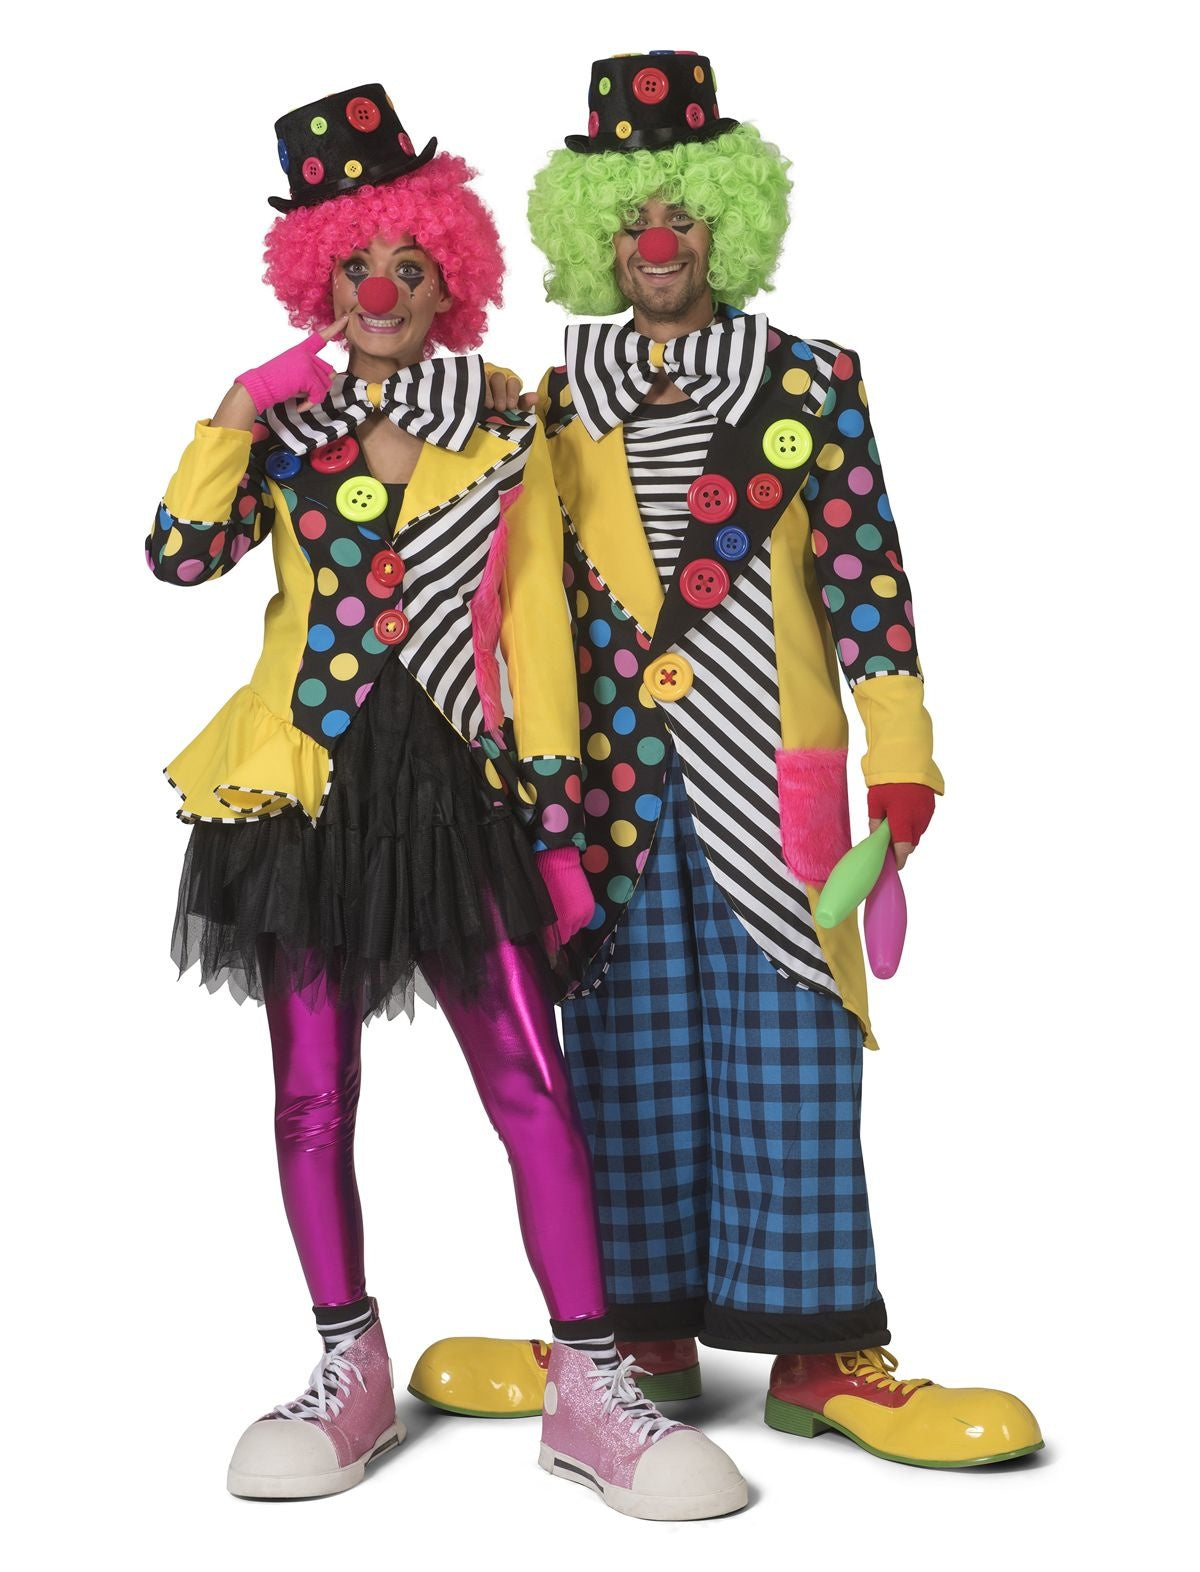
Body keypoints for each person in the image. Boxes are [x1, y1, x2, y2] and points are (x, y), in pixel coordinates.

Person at [411, 52, 1044, 1471]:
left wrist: (904, 759)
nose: (658, 244)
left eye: (684, 216)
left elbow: (869, 584)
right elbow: (510, 595)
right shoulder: (554, 404)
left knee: (794, 1053)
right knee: (623, 1056)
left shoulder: (811, 384)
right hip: (612, 794)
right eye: (633, 219)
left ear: (728, 224)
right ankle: (634, 1338)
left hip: (772, 779)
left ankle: (823, 1355)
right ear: (594, 235)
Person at [149, 82, 745, 1517]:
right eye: (353, 268)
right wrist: (240, 406)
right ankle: (346, 1363)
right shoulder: (286, 435)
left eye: (408, 267)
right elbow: (177, 555)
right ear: (318, 284)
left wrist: (558, 811)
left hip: (464, 791)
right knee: (310, 1093)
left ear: (450, 281)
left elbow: (536, 623)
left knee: (531, 1082)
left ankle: (589, 1382)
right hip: (305, 791)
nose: (380, 293)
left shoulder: (504, 431)